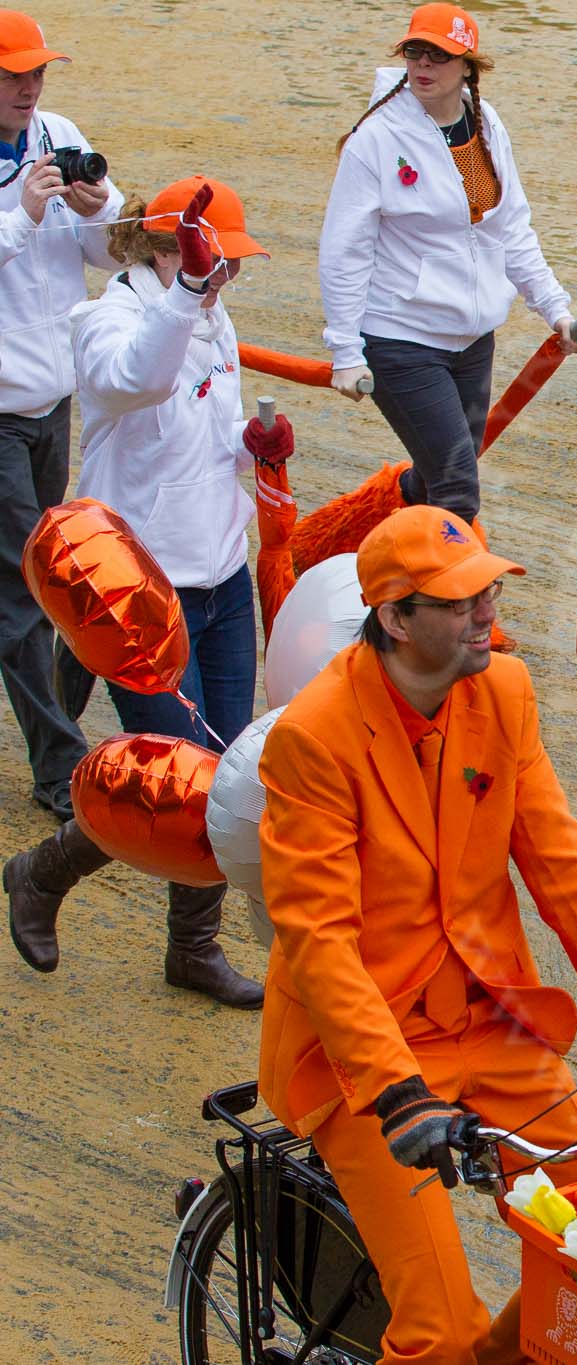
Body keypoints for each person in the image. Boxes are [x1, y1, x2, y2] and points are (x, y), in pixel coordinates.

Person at [257, 505, 577, 1363]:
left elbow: (562, 864)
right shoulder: (313, 736)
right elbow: (319, 939)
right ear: (396, 619)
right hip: (368, 1055)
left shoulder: (504, 691)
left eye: (488, 590)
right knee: (438, 1334)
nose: (486, 611)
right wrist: (398, 1093)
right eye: (461, 598)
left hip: (492, 1024)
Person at [3, 177, 283, 1005]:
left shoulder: (211, 315)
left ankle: (190, 948)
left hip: (221, 575)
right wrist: (192, 291)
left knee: (225, 778)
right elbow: (139, 380)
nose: (230, 276)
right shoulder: (104, 321)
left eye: (230, 264)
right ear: (165, 250)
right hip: (140, 595)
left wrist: (252, 444)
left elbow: (202, 435)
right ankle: (44, 872)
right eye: (218, 261)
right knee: (181, 781)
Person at [320, 3, 577, 524]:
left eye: (439, 55)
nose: (424, 64)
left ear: (468, 67)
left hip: (473, 340)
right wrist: (346, 350)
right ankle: (451, 580)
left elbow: (511, 229)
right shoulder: (376, 139)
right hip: (400, 337)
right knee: (458, 490)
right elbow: (344, 250)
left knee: (437, 475)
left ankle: (368, 531)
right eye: (415, 51)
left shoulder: (486, 124)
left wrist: (556, 310)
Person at [0, 9, 121, 822]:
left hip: (54, 396)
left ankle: (57, 727)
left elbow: (110, 255)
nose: (30, 87)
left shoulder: (61, 134)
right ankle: (59, 770)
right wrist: (24, 216)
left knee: (53, 577)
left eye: (37, 72)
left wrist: (100, 203)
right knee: (22, 586)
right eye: (14, 75)